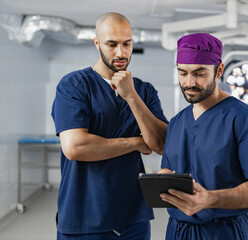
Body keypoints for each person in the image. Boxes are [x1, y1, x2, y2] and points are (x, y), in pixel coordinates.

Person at [51, 12, 168, 240]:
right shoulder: (74, 86)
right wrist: (135, 142)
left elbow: (162, 144)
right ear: (97, 44)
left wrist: (131, 96)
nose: (121, 52)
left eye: (127, 44)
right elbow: (76, 148)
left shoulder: (144, 91)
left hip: (134, 217)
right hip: (85, 217)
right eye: (111, 44)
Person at [158, 33, 248, 239]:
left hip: (224, 232)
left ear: (219, 70)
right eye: (183, 73)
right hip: (178, 230)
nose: (189, 82)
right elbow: (168, 168)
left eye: (199, 73)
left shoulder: (245, 119)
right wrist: (162, 180)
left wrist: (210, 199)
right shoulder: (177, 122)